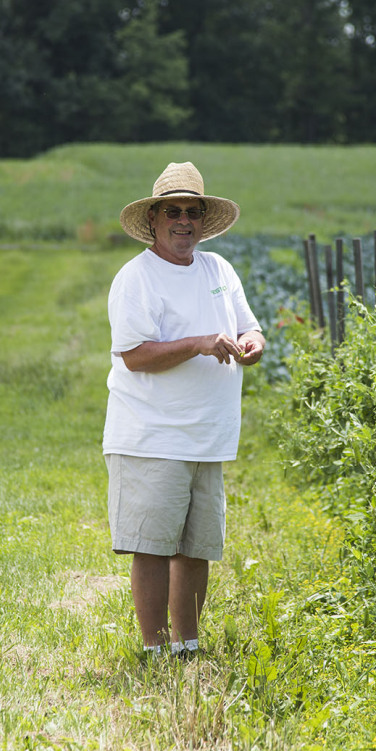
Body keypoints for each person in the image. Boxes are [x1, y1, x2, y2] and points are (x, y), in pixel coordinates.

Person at [102, 161, 266, 663]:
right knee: (152, 546)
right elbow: (135, 355)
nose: (184, 221)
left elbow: (249, 327)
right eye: (172, 211)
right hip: (153, 434)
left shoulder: (219, 270)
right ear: (153, 219)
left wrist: (252, 342)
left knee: (196, 547)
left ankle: (186, 645)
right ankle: (153, 650)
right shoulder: (136, 278)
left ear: (203, 220)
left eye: (193, 212)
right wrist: (197, 344)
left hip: (208, 435)